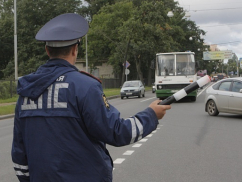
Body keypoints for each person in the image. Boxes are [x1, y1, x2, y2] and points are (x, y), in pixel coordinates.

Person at [11, 13, 171, 182]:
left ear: (47, 50)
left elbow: (19, 154)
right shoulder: (85, 86)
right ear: (75, 49)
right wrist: (151, 115)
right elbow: (117, 132)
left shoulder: (27, 91)